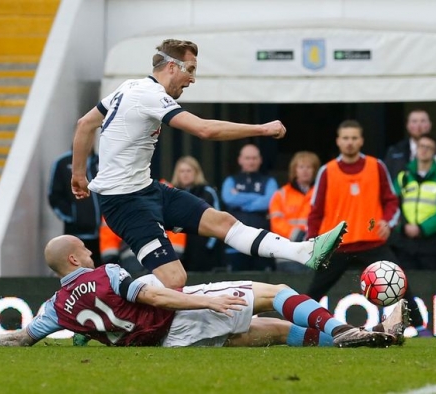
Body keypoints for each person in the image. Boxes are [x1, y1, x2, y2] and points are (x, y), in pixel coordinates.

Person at [71, 39, 347, 289]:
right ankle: (102, 304)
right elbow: (205, 130)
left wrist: (79, 175)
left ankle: (303, 252)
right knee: (175, 280)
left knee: (222, 221)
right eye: (190, 69)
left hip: (145, 189)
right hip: (123, 202)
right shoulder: (150, 95)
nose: (192, 79)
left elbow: (85, 124)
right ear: (171, 66)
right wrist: (262, 129)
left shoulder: (130, 86)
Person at [0, 234, 408, 349]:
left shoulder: (55, 307)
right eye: (83, 249)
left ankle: (372, 341)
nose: (91, 249)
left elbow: (23, 339)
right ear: (75, 260)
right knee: (275, 291)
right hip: (178, 315)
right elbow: (153, 296)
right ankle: (346, 329)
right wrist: (204, 299)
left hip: (166, 342)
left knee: (268, 330)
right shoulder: (109, 274)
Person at [307, 120, 430, 337]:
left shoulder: (376, 166)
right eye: (345, 138)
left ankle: (420, 327)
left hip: (372, 242)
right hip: (338, 245)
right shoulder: (327, 171)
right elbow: (316, 211)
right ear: (338, 141)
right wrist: (312, 243)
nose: (350, 143)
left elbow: (391, 201)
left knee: (400, 285)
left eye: (354, 138)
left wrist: (387, 222)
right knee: (314, 291)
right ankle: (293, 325)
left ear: (361, 140)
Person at [392, 135, 436, 270]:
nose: (424, 150)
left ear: (435, 153)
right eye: (421, 146)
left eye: (428, 147)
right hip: (405, 241)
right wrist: (403, 226)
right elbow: (394, 205)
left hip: (431, 241)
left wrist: (422, 228)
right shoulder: (404, 176)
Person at [221, 144, 278, 271]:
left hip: (263, 242)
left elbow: (268, 201)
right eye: (247, 158)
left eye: (254, 158)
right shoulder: (231, 180)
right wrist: (256, 197)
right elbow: (229, 199)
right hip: (235, 242)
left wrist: (241, 200)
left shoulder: (269, 181)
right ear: (240, 160)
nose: (251, 161)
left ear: (260, 160)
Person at [48, 148, 102, 266]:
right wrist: (73, 216)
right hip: (76, 234)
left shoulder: (101, 160)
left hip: (105, 234)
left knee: (105, 273)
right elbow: (54, 196)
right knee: (80, 270)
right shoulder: (63, 162)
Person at [269, 151, 320, 272]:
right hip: (288, 254)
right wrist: (296, 234)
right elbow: (276, 222)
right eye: (301, 167)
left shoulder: (321, 193)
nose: (305, 171)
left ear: (315, 170)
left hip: (315, 251)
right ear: (294, 170)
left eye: (309, 167)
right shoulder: (281, 195)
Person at [170, 156, 223, 272]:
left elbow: (219, 219)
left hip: (202, 247)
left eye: (189, 171)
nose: (185, 174)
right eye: (182, 171)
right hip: (177, 249)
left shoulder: (208, 192)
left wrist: (209, 246)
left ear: (196, 172)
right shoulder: (171, 193)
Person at [384, 109, 436, 180]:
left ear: (430, 125)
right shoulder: (395, 151)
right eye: (414, 121)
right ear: (407, 125)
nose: (419, 126)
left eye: (423, 121)